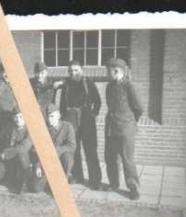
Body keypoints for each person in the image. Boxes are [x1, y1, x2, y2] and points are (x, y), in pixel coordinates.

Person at [59, 60, 102, 190]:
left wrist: (93, 114)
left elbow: (98, 101)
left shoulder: (88, 83)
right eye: (71, 71)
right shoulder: (66, 85)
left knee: (91, 150)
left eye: (76, 70)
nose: (74, 73)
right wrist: (64, 118)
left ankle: (95, 180)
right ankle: (78, 176)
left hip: (86, 118)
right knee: (75, 149)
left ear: (81, 71)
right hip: (71, 118)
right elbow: (62, 104)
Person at [105, 58, 144, 200]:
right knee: (110, 157)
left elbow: (139, 108)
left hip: (126, 128)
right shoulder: (109, 87)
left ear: (116, 71)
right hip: (111, 127)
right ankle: (114, 184)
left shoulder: (129, 86)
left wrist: (130, 122)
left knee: (127, 158)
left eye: (107, 71)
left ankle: (133, 187)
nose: (106, 74)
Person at [0, 108, 34, 193]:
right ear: (13, 118)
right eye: (16, 117)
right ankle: (9, 175)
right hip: (7, 159)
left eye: (21, 117)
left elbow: (24, 146)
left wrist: (6, 153)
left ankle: (23, 182)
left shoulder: (30, 129)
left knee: (22, 154)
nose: (18, 119)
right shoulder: (9, 127)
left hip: (21, 160)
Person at [32, 103, 76, 192]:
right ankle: (50, 180)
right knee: (36, 188)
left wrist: (56, 150)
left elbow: (72, 146)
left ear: (58, 115)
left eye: (52, 116)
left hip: (61, 158)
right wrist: (38, 165)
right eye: (48, 117)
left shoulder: (67, 127)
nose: (49, 119)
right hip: (48, 161)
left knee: (68, 158)